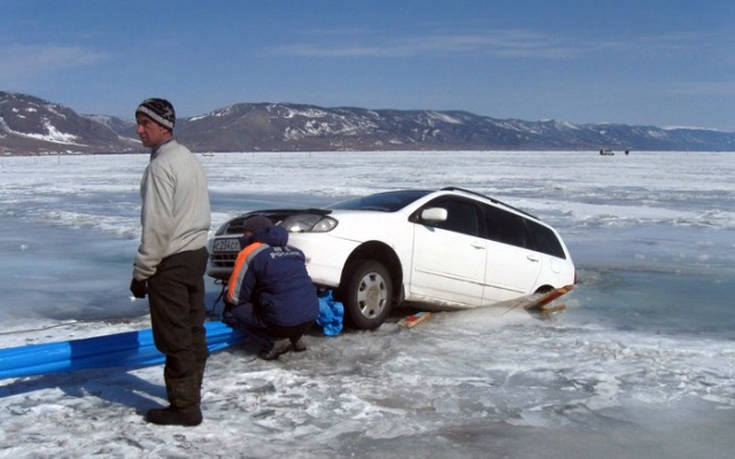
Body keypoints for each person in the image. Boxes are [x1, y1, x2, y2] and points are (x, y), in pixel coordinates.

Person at [129, 98, 211, 427]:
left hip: (172, 262)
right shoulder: (187, 159)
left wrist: (142, 272)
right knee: (192, 331)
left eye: (145, 123)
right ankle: (190, 396)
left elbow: (157, 226)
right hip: (194, 256)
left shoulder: (161, 167)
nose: (139, 130)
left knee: (175, 337)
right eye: (138, 122)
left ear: (164, 125)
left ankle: (184, 407)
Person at [223, 215, 319, 360]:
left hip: (282, 321)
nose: (243, 236)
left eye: (245, 232)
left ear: (253, 233)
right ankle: (295, 337)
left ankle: (273, 341)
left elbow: (235, 297)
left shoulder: (251, 253)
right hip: (310, 317)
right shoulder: (295, 251)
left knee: (232, 311)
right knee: (286, 300)